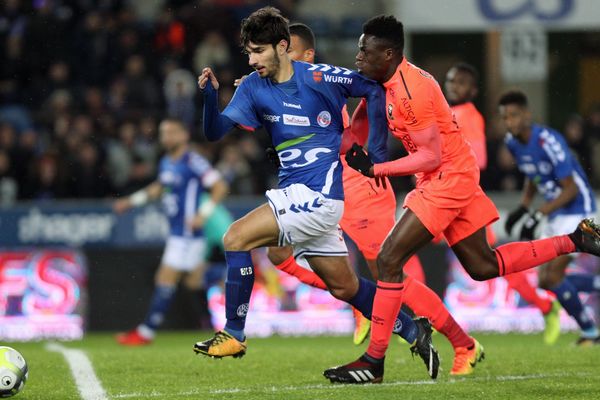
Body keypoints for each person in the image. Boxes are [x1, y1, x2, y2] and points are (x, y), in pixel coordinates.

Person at [324, 15, 600, 384]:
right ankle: (576, 239)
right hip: (454, 174)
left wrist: (377, 170)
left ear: (387, 53)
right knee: (483, 265)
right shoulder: (388, 83)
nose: (358, 56)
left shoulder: (411, 90)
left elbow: (431, 156)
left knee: (388, 260)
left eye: (364, 49)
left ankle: (374, 362)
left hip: (445, 177)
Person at [194, 7, 439, 380]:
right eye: (248, 52)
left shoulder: (321, 76)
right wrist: (211, 98)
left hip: (320, 196)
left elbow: (372, 88)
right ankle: (412, 328)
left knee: (236, 237)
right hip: (300, 197)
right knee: (346, 287)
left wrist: (374, 151)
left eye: (259, 51)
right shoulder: (254, 87)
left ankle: (235, 332)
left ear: (282, 46)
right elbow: (214, 133)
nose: (252, 59)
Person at [253, 22, 483, 377]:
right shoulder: (285, 84)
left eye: (286, 51)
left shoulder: (321, 80)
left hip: (357, 187)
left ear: (308, 55)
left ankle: (461, 341)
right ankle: (361, 303)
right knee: (278, 253)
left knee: (393, 274)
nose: (278, 57)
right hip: (317, 187)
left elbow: (351, 126)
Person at [445, 64, 561, 345]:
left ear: (472, 90)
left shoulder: (468, 115)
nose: (453, 86)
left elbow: (479, 159)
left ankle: (403, 320)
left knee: (493, 264)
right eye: (450, 81)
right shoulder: (450, 113)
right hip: (444, 195)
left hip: (460, 200)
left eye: (460, 82)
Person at [114, 118, 230, 345]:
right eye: (162, 132)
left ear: (184, 135)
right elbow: (159, 187)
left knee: (165, 278)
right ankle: (221, 281)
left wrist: (203, 214)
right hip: (178, 232)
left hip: (186, 234)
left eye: (171, 132)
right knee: (192, 283)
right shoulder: (167, 161)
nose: (165, 137)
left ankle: (146, 333)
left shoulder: (193, 161)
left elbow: (220, 186)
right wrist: (131, 202)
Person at [499, 90, 600, 346]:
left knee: (553, 276)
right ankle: (591, 321)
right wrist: (523, 207)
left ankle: (590, 331)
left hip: (579, 209)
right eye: (504, 117)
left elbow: (571, 187)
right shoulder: (513, 142)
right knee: (545, 279)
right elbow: (533, 175)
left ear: (526, 115)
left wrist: (537, 214)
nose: (509, 122)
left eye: (513, 115)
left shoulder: (547, 141)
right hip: (556, 212)